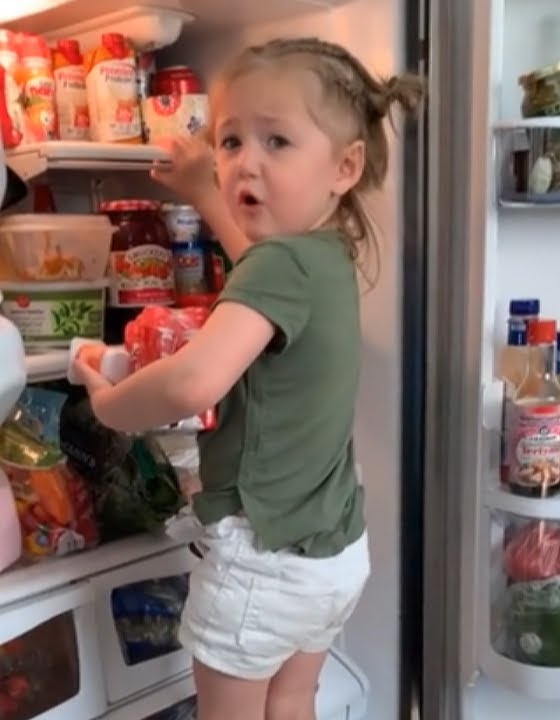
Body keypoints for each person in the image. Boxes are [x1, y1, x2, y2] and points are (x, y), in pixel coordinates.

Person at [75, 38, 423, 720]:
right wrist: (206, 188)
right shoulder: (324, 254)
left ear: (345, 166)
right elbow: (255, 268)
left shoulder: (280, 266)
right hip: (333, 554)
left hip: (263, 561)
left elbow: (191, 385)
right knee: (291, 703)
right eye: (231, 140)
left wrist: (110, 404)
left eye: (277, 141)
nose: (245, 162)